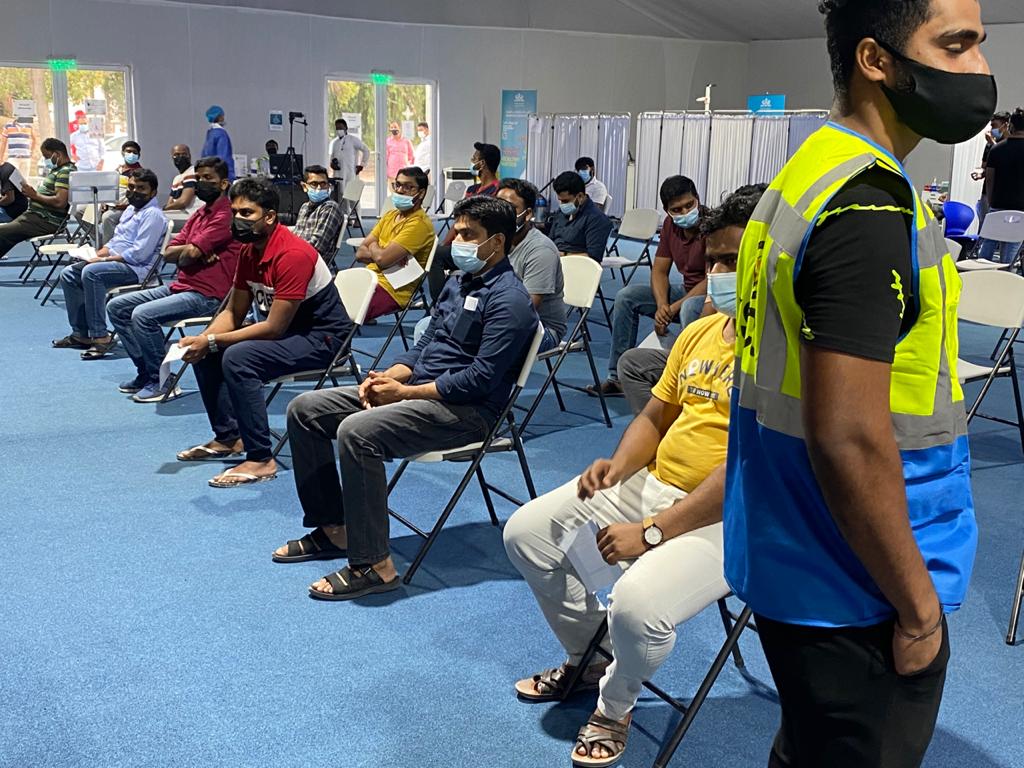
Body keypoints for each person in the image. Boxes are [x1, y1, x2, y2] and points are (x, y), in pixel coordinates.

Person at [726, 1, 991, 765]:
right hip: (857, 580)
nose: (978, 68)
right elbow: (847, 435)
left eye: (979, 44)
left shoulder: (816, 166)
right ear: (876, 60)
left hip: (794, 547)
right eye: (955, 45)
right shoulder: (866, 204)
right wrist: (917, 609)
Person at [504, 185, 759, 768]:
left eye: (735, 261)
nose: (720, 274)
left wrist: (651, 532)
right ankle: (590, 654)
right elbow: (655, 416)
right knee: (527, 534)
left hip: (731, 514)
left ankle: (614, 704)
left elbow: (747, 464)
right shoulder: (701, 332)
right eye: (715, 260)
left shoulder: (786, 350)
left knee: (637, 606)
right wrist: (617, 468)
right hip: (656, 485)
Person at [272, 196, 537, 600]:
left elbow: (480, 379)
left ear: (497, 242)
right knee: (305, 409)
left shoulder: (510, 300)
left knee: (357, 432)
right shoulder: (459, 281)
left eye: (468, 235)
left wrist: (404, 393)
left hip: (467, 412)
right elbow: (428, 343)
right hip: (421, 392)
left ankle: (375, 566)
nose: (456, 241)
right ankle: (335, 529)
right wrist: (392, 375)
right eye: (457, 231)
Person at [174, 176, 352, 488]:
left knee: (239, 357)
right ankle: (230, 437)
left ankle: (260, 458)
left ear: (269, 217)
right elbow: (233, 312)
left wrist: (213, 339)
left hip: (322, 339)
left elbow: (273, 327)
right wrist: (205, 340)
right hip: (288, 335)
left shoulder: (293, 254)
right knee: (208, 353)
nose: (238, 220)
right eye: (235, 212)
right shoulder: (248, 251)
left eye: (247, 213)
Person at [108, 156, 240, 402]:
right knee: (117, 307)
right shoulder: (200, 214)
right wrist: (190, 252)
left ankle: (162, 380)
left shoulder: (225, 216)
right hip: (182, 286)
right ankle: (147, 373)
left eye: (208, 178)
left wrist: (190, 253)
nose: (201, 183)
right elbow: (168, 252)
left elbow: (188, 254)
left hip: (208, 295)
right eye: (198, 178)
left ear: (223, 184)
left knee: (142, 315)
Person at [588, 175, 709, 399]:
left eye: (689, 205)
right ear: (667, 211)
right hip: (685, 291)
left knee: (689, 307)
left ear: (698, 199)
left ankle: (687, 382)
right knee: (626, 296)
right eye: (677, 209)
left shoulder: (712, 226)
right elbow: (659, 271)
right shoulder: (670, 226)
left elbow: (711, 280)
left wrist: (671, 309)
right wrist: (662, 305)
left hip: (709, 297)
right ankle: (618, 379)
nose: (684, 212)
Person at [53, 169, 167, 357]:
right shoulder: (130, 209)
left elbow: (139, 254)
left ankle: (101, 337)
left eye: (141, 188)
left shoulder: (153, 215)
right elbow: (115, 242)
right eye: (131, 187)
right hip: (118, 262)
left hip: (137, 269)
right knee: (69, 273)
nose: (134, 192)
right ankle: (81, 334)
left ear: (153, 192)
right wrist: (95, 254)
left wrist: (103, 260)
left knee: (92, 272)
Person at [354, 166, 435, 321]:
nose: (400, 190)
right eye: (397, 185)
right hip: (370, 277)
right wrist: (382, 252)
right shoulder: (390, 215)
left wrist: (375, 247)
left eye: (408, 187)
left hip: (392, 289)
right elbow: (360, 253)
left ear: (421, 193)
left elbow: (381, 259)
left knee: (336, 311)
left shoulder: (419, 224)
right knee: (325, 295)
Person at [425, 142, 503, 302]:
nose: (471, 161)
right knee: (436, 254)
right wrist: (446, 244)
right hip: (462, 244)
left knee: (437, 256)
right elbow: (458, 222)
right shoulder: (472, 190)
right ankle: (442, 303)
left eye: (474, 158)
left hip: (478, 246)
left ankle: (440, 304)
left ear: (482, 163)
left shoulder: (497, 190)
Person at [497, 178, 567, 351]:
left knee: (481, 342)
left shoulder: (541, 250)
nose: (501, 213)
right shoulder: (497, 240)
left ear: (527, 214)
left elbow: (524, 310)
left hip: (541, 329)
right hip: (500, 316)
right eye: (497, 206)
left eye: (510, 208)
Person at [0, 138, 76, 259]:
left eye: (47, 156)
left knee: (3, 233)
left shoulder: (65, 172)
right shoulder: (57, 170)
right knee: (6, 234)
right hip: (35, 216)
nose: (46, 160)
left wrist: (35, 195)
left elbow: (60, 202)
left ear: (57, 154)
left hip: (46, 220)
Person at [979, 109, 1024, 264]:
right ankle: (1007, 274)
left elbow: (990, 179)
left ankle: (980, 273)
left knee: (988, 244)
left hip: (998, 205)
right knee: (1011, 251)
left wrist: (991, 200)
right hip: (1021, 210)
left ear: (1011, 126)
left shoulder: (997, 149)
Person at [548, 170, 614, 264]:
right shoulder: (562, 213)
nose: (562, 204)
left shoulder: (597, 219)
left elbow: (593, 257)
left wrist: (564, 255)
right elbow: (550, 239)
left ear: (580, 196)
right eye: (560, 200)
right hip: (553, 261)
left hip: (575, 265)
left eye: (565, 201)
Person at [292, 164, 345, 265]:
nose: (319, 188)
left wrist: (288, 252)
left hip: (311, 263)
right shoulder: (304, 207)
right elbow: (296, 234)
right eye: (314, 184)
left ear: (328, 186)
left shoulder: (330, 208)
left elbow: (316, 246)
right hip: (297, 256)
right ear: (304, 187)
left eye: (323, 184)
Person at [99, 140, 143, 244]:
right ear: (123, 153)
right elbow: (109, 188)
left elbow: (139, 197)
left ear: (138, 155)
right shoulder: (117, 170)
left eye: (134, 152)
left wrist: (124, 206)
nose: (131, 154)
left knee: (107, 217)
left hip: (126, 208)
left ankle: (108, 248)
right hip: (109, 205)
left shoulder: (140, 173)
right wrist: (104, 202)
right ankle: (99, 240)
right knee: (82, 211)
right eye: (128, 151)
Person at [973, 111, 1010, 225]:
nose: (992, 129)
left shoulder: (1012, 144)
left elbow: (1007, 160)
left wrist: (993, 143)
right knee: (985, 225)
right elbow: (985, 166)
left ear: (1005, 125)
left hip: (1004, 193)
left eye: (994, 126)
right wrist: (980, 174)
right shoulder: (989, 145)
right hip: (987, 192)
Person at [328, 117, 369, 214]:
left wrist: (361, 165)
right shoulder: (334, 143)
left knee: (352, 198)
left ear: (346, 128)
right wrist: (332, 164)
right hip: (338, 174)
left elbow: (366, 150)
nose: (339, 130)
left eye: (341, 128)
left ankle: (357, 218)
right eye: (337, 128)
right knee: (340, 198)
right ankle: (344, 218)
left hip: (350, 173)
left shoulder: (352, 140)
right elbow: (331, 158)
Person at [0, 112, 37, 181]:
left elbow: (34, 139)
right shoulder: (8, 126)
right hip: (13, 158)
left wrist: (31, 152)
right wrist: (1, 159)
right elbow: (3, 143)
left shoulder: (29, 126)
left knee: (24, 182)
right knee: (11, 179)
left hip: (26, 159)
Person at [201, 105, 234, 180]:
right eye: (222, 116)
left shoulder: (210, 133)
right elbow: (224, 157)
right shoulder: (221, 134)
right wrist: (230, 177)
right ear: (219, 117)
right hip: (220, 175)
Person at [164, 144, 199, 213]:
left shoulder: (192, 172)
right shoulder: (176, 179)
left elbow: (183, 202)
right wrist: (167, 207)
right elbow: (170, 202)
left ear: (189, 156)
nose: (180, 157)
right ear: (172, 158)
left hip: (190, 215)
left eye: (184, 154)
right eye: (176, 155)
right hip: (177, 216)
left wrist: (165, 208)